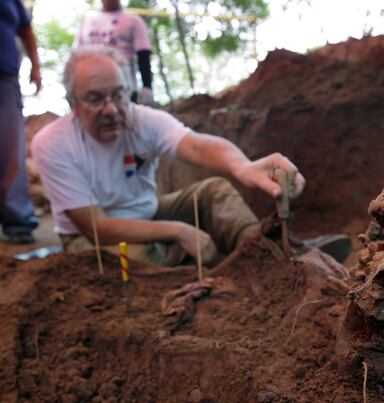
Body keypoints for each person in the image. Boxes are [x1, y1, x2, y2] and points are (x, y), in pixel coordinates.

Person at [31, 46, 310, 267]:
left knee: (214, 193)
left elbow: (197, 145)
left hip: (149, 214)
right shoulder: (53, 144)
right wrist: (178, 231)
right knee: (132, 260)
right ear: (73, 104)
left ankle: (268, 255)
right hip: (89, 238)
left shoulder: (143, 121)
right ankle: (205, 269)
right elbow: (97, 228)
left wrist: (243, 167)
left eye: (118, 95)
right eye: (95, 99)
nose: (111, 110)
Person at [0, 0, 41, 244]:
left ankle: (18, 222)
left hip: (5, 78)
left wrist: (35, 66)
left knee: (10, 150)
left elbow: (26, 31)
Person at [73, 0, 153, 105]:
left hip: (124, 88)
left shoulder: (133, 21)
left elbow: (143, 55)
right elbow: (76, 56)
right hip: (91, 88)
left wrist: (147, 86)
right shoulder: (87, 21)